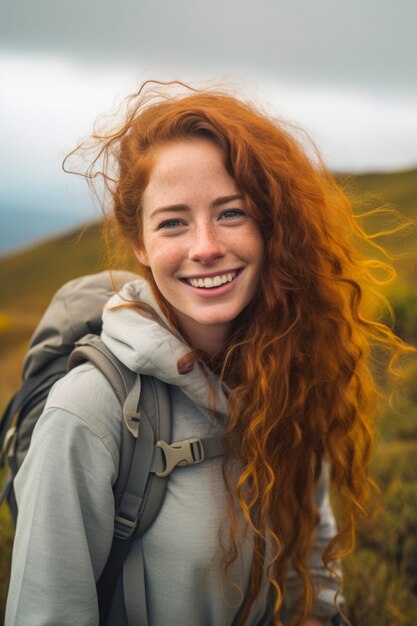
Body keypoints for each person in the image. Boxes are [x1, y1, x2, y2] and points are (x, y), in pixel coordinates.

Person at [5, 81, 409, 626]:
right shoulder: (89, 412)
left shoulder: (290, 369)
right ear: (141, 244)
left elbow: (307, 580)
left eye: (231, 213)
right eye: (173, 222)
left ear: (270, 226)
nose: (204, 246)